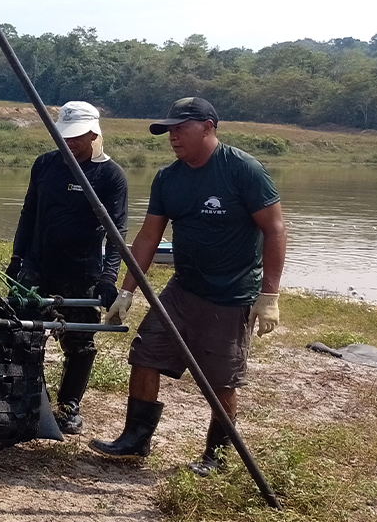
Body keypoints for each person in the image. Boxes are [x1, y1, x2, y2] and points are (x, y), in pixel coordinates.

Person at [88, 97, 286, 476]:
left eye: (181, 128)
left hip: (230, 294)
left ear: (208, 126)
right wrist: (127, 289)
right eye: (169, 130)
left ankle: (217, 456)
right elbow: (148, 237)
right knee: (145, 354)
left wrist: (270, 294)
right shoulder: (168, 177)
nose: (173, 137)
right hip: (183, 288)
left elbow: (274, 230)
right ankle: (135, 438)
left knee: (221, 380)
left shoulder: (242, 170)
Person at [7, 101, 127, 435]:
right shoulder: (45, 164)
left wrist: (108, 277)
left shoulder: (110, 175)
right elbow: (28, 213)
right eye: (65, 136)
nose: (69, 143)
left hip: (82, 271)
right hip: (37, 265)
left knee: (80, 342)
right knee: (23, 333)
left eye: (77, 137)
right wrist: (17, 260)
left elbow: (117, 232)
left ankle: (70, 403)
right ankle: (31, 397)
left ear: (94, 134)